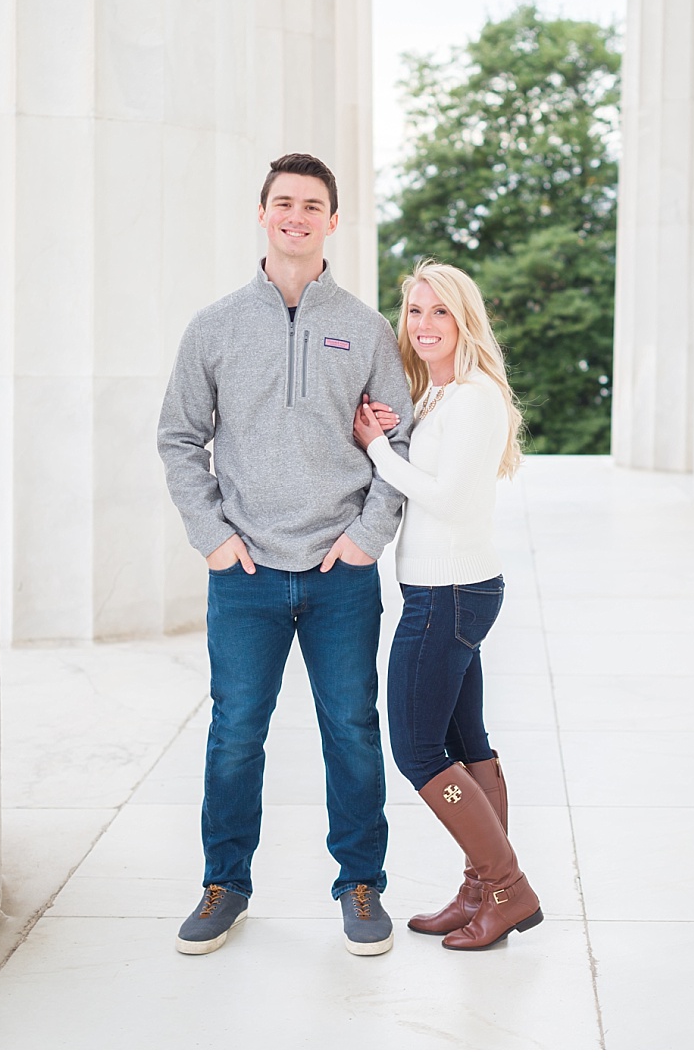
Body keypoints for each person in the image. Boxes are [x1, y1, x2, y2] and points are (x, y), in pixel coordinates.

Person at [158, 152, 412, 956]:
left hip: (340, 574)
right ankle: (224, 884)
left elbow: (397, 448)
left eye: (312, 206)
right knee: (236, 732)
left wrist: (366, 540)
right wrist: (214, 537)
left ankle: (360, 884)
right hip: (248, 574)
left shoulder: (367, 329)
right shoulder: (216, 326)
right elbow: (178, 438)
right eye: (283, 203)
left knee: (352, 729)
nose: (296, 216)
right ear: (262, 214)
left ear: (333, 222)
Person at [351, 259, 543, 950]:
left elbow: (444, 496)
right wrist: (391, 428)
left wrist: (375, 446)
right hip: (452, 590)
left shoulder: (476, 398)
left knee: (419, 749)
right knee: (467, 745)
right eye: (415, 312)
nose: (424, 324)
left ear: (465, 320)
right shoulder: (438, 397)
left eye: (440, 312)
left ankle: (507, 889)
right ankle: (479, 890)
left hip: (447, 597)